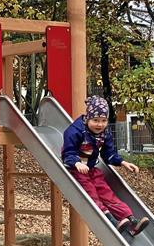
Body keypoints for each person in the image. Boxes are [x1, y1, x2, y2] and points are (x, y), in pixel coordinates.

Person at [61, 95, 149, 236]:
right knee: (91, 193)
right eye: (95, 120)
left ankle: (131, 220)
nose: (100, 124)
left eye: (103, 121)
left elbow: (109, 153)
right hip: (76, 169)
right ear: (88, 118)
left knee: (107, 193)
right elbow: (68, 152)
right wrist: (76, 162)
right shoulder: (75, 131)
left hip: (91, 169)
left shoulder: (104, 133)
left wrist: (123, 162)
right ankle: (110, 220)